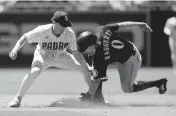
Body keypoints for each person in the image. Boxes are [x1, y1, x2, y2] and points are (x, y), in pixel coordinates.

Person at [8, 11, 93, 107]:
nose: (65, 27)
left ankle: (94, 97)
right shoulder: (42, 30)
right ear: (55, 22)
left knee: (86, 70)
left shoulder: (69, 33)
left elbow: (75, 52)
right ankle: (17, 99)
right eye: (63, 24)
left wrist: (86, 66)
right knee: (35, 71)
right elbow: (25, 38)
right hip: (43, 56)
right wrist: (15, 50)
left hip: (61, 56)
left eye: (66, 24)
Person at [77, 21, 168, 103]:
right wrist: (139, 25)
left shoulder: (99, 58)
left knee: (127, 88)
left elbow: (96, 81)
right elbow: (122, 25)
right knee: (97, 71)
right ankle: (99, 98)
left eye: (85, 49)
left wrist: (88, 95)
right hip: (124, 52)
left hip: (131, 60)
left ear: (92, 45)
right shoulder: (102, 30)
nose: (84, 52)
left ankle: (159, 83)